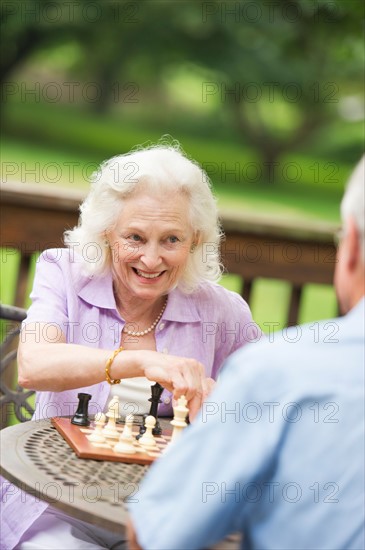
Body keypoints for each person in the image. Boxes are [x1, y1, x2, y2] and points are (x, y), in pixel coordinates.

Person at [0, 143, 259, 549]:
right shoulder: (65, 274)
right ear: (106, 233)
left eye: (171, 239)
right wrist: (140, 361)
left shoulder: (222, 312)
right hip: (58, 502)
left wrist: (224, 410)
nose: (151, 259)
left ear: (195, 240)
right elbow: (34, 364)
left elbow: (267, 409)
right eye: (134, 237)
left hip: (168, 515)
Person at [127, 155, 365, 550]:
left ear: (352, 245)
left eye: (171, 238)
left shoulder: (277, 371)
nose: (152, 257)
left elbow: (157, 535)